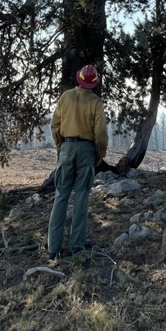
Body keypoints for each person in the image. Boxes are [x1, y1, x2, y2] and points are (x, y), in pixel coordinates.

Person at [47, 64, 108, 259]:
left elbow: (54, 125)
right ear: (94, 83)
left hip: (66, 147)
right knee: (81, 197)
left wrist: (61, 146)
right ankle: (77, 246)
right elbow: (100, 133)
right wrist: (99, 153)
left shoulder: (65, 97)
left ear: (78, 78)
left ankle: (53, 248)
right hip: (87, 151)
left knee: (61, 196)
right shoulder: (96, 102)